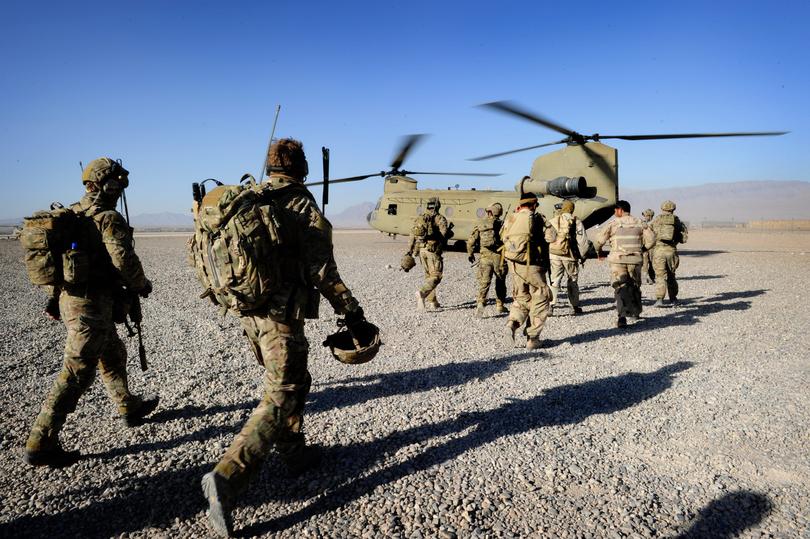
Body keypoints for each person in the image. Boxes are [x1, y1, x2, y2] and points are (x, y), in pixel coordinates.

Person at [200, 139, 370, 537]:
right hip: (281, 315)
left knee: (294, 381)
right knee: (284, 389)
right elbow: (322, 271)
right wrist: (352, 313)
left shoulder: (250, 197)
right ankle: (227, 476)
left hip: (248, 311)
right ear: (304, 168)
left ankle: (294, 454)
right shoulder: (300, 205)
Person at [24, 157, 157, 467]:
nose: (121, 189)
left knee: (112, 352)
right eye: (118, 183)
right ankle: (41, 439)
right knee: (77, 370)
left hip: (77, 301)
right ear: (110, 184)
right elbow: (123, 260)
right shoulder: (107, 218)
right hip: (90, 304)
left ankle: (128, 406)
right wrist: (141, 284)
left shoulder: (75, 213)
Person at [501, 191, 556, 350]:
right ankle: (533, 339)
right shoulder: (537, 218)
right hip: (533, 265)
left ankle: (512, 324)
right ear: (534, 204)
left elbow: (502, 237)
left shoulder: (511, 218)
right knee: (541, 297)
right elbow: (551, 237)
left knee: (522, 298)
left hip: (514, 265)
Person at [593, 200, 655, 328]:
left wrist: (598, 251)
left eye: (615, 210)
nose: (615, 213)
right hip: (635, 259)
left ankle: (622, 317)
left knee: (620, 286)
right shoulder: (640, 222)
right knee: (634, 285)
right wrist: (641, 250)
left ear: (620, 210)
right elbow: (652, 240)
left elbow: (599, 241)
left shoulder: (613, 223)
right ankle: (635, 312)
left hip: (618, 260)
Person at [405, 197, 451, 311]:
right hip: (433, 251)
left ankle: (433, 302)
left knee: (428, 276)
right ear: (438, 206)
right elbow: (443, 234)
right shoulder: (439, 218)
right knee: (436, 276)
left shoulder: (420, 218)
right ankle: (422, 292)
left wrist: (410, 251)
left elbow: (412, 236)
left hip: (421, 251)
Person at [467, 203, 508, 317]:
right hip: (499, 258)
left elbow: (471, 241)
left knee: (484, 282)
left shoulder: (480, 224)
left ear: (489, 212)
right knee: (500, 281)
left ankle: (481, 303)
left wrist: (470, 254)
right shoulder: (503, 224)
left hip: (485, 257)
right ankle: (500, 305)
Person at [548, 200, 588, 315]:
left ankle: (551, 306)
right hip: (570, 256)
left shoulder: (553, 220)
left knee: (554, 280)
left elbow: (548, 237)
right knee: (572, 280)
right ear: (572, 209)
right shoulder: (576, 221)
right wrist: (583, 255)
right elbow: (583, 241)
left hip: (554, 255)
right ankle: (574, 307)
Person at [651, 200, 688, 306]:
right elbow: (684, 239)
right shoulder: (676, 221)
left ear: (662, 208)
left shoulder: (656, 220)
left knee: (660, 275)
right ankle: (673, 299)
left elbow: (649, 234)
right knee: (671, 275)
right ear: (673, 209)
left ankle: (659, 300)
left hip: (658, 251)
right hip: (671, 251)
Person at [641, 208, 656, 284]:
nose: (645, 217)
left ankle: (651, 277)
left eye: (646, 215)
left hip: (652, 247)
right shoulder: (643, 223)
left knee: (652, 263)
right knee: (645, 262)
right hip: (645, 246)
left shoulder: (654, 223)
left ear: (650, 216)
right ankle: (645, 277)